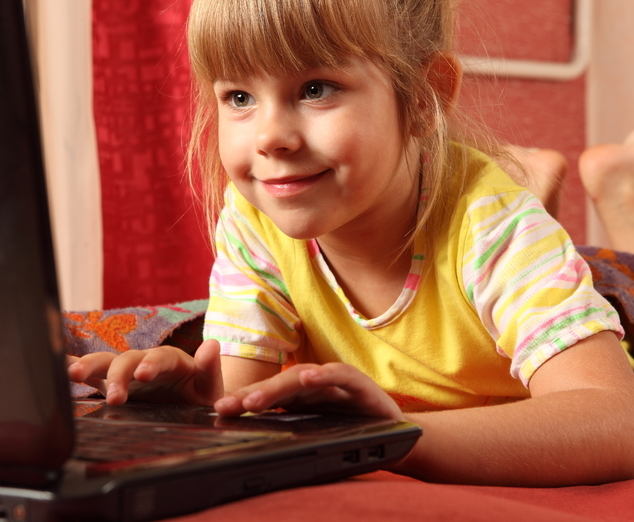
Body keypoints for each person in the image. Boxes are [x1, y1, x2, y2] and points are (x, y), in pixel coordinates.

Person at [67, 0, 634, 486]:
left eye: (314, 89)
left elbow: (617, 419)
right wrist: (186, 392)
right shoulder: (257, 212)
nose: (269, 138)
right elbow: (242, 396)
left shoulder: (489, 224)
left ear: (422, 97)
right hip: (465, 248)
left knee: (614, 282)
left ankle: (610, 193)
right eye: (239, 97)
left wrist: (390, 437)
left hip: (498, 244)